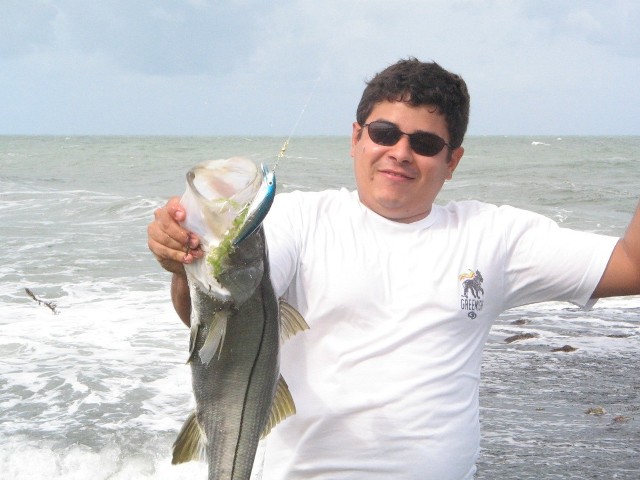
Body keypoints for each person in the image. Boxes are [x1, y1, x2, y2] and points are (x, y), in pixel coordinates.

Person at [147, 58, 640, 479]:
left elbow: (631, 264)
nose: (400, 153)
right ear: (356, 138)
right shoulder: (298, 220)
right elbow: (224, 312)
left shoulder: (494, 235)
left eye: (425, 143)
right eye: (384, 133)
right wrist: (182, 263)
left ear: (452, 161)